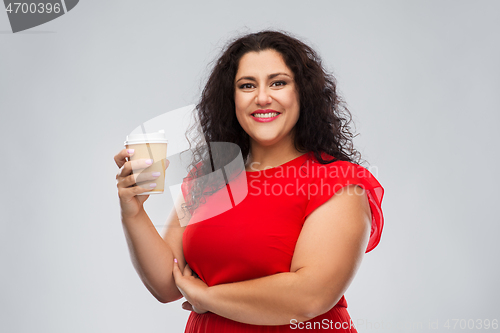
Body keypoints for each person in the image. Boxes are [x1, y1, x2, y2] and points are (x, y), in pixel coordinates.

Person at [114, 30, 384, 332]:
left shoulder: (338, 181)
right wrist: (133, 211)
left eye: (278, 82)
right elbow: (168, 284)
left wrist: (207, 296)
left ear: (302, 92)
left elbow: (308, 297)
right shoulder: (211, 177)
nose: (263, 97)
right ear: (232, 98)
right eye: (247, 85)